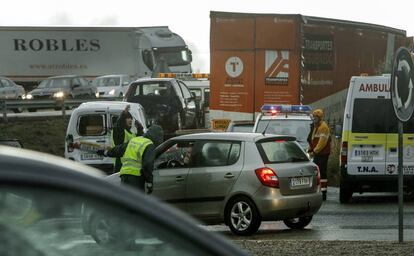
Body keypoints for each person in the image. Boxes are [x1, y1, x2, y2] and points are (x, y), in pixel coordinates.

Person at [100, 125, 164, 194]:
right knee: (137, 201)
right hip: (136, 178)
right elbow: (147, 165)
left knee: (127, 201)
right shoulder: (149, 145)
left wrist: (105, 152)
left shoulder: (134, 140)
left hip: (124, 175)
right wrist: (149, 182)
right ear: (157, 137)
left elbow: (119, 149)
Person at [111, 105, 144, 173]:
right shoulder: (120, 131)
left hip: (130, 166)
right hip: (120, 163)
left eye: (131, 118)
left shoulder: (131, 133)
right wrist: (124, 114)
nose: (130, 120)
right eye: (128, 118)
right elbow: (118, 126)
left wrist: (140, 129)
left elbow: (139, 141)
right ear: (123, 120)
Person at [307, 109, 331, 201]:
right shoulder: (316, 126)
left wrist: (315, 151)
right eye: (313, 117)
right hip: (318, 153)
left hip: (323, 153)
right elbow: (313, 139)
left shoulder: (323, 127)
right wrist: (310, 149)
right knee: (317, 172)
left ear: (320, 118)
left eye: (316, 117)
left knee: (322, 172)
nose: (314, 118)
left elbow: (322, 142)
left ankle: (323, 192)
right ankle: (318, 190)